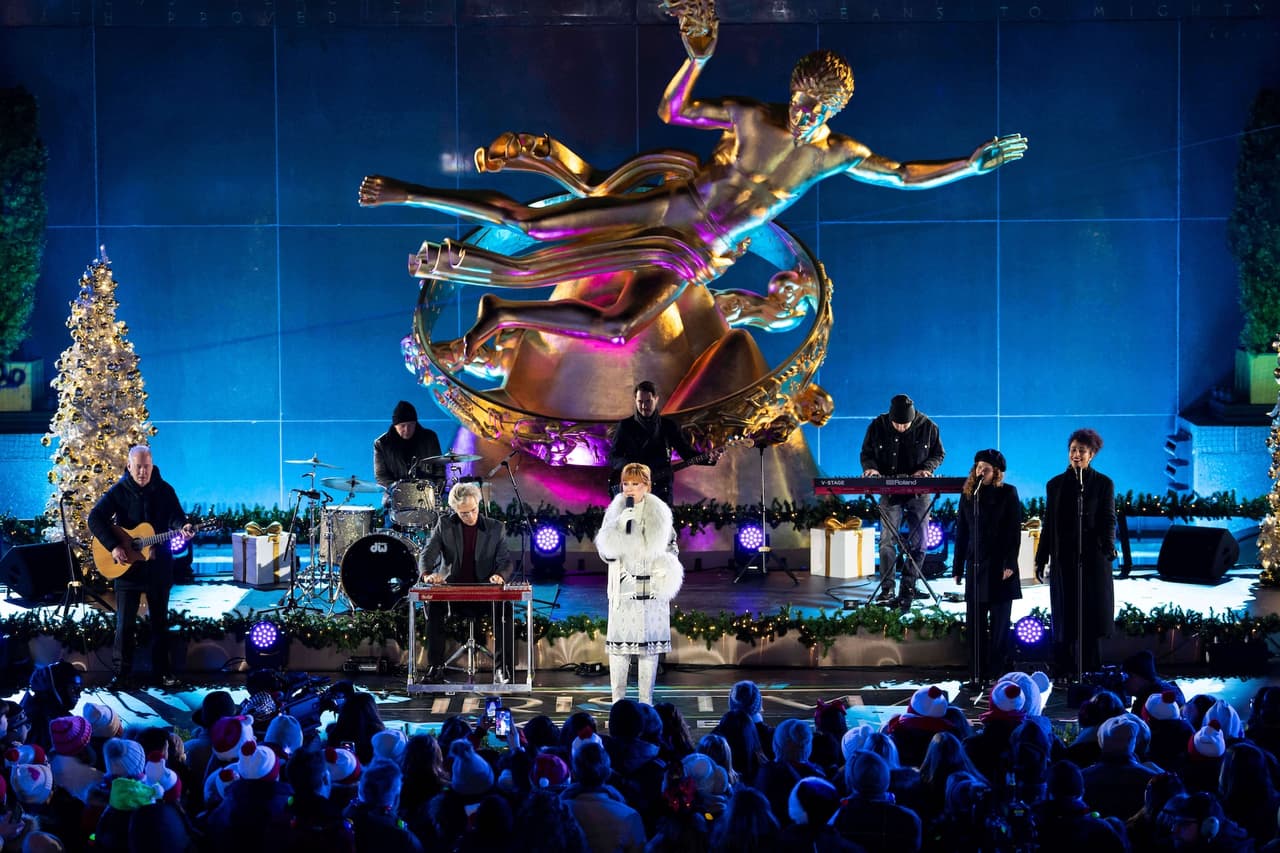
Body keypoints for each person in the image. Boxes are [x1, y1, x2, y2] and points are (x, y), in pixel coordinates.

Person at [358, 4, 1026, 362]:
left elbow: (904, 176)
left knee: (620, 327)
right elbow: (673, 111)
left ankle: (502, 314)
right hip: (670, 209)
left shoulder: (838, 154)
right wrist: (695, 58)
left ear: (833, 111)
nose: (802, 114)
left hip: (698, 253)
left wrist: (968, 164)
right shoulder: (753, 115)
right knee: (533, 223)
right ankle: (409, 192)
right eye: (800, 100)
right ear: (793, 90)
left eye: (816, 109)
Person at [87, 445, 193, 689]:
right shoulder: (119, 491)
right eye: (138, 467)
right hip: (127, 568)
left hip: (158, 567)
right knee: (124, 625)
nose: (143, 472)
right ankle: (121, 674)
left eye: (146, 467)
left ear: (152, 466)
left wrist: (183, 527)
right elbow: (95, 518)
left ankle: (162, 673)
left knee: (159, 624)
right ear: (129, 466)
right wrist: (114, 546)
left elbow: (176, 517)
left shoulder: (165, 490)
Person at [595, 462, 684, 705]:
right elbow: (605, 552)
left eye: (636, 483)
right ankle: (618, 703)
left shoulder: (660, 513)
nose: (630, 488)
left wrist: (667, 566)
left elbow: (672, 546)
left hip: (652, 588)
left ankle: (646, 703)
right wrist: (618, 528)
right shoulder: (615, 511)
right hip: (624, 589)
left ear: (647, 486)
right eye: (626, 483)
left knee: (648, 650)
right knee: (620, 650)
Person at [1034, 428, 1116, 678]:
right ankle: (1065, 669)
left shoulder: (1103, 484)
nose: (1076, 454)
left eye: (1081, 450)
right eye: (1073, 450)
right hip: (1064, 559)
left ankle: (1091, 669)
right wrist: (1041, 558)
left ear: (1092, 454)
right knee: (1066, 615)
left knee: (1091, 614)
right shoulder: (1055, 485)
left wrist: (1108, 546)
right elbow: (1049, 524)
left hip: (1092, 559)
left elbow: (1108, 518)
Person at [417, 481, 514, 684]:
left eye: (473, 510)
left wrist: (500, 575)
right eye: (463, 513)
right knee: (434, 606)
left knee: (505, 608)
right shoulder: (445, 524)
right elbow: (428, 553)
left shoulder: (496, 528)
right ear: (455, 510)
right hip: (453, 592)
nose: (470, 516)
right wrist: (427, 574)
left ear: (478, 504)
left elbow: (506, 561)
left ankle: (502, 669)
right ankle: (436, 668)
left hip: (484, 592)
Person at [860, 394, 945, 605]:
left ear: (913, 418)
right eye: (896, 424)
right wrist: (871, 469)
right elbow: (867, 453)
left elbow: (938, 454)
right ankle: (887, 588)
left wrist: (926, 469)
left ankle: (909, 586)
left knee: (920, 541)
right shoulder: (877, 426)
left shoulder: (929, 426)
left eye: (905, 424)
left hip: (919, 492)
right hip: (889, 491)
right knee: (887, 541)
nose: (900, 428)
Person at [951, 448, 1023, 684]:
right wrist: (957, 567)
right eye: (978, 467)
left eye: (986, 468)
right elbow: (962, 532)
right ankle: (977, 672)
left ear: (997, 472)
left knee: (1000, 625)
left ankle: (997, 672)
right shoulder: (969, 494)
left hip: (1000, 567)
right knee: (975, 623)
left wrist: (1010, 563)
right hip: (976, 566)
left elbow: (1014, 531)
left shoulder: (1008, 493)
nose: (981, 471)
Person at [608, 381, 718, 504]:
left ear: (656, 399)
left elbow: (686, 453)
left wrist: (709, 458)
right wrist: (634, 469)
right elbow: (613, 457)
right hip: (634, 490)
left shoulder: (669, 426)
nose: (644, 406)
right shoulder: (625, 426)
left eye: (648, 401)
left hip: (662, 490)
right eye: (640, 402)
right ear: (635, 401)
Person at [373, 399, 444, 493]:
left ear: (416, 423)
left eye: (411, 425)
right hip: (395, 495)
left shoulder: (430, 438)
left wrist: (436, 491)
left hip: (426, 493)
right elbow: (381, 476)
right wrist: (399, 491)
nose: (407, 430)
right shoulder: (381, 444)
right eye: (402, 426)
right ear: (395, 425)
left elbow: (439, 469)